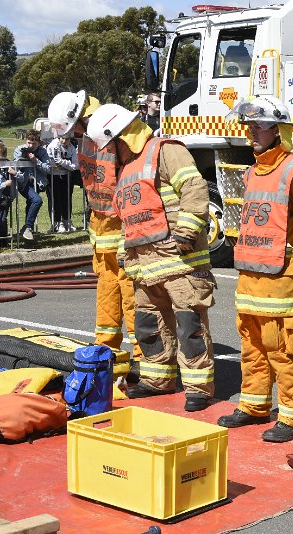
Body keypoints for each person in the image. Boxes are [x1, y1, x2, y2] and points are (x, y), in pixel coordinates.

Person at [86, 103, 215, 412]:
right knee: (149, 325)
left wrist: (186, 232)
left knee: (189, 325)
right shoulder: (127, 169)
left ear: (122, 136)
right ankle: (157, 379)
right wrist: (124, 255)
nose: (108, 153)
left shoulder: (164, 150)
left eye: (110, 145)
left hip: (179, 261)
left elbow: (194, 188)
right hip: (145, 266)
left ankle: (199, 387)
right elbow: (128, 219)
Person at [216, 95, 293, 443]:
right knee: (252, 347)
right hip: (250, 282)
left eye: (259, 126)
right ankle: (253, 404)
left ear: (278, 130)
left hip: (282, 283)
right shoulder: (252, 172)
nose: (251, 132)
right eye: (249, 125)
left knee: (284, 350)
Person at [48, 90, 143, 374]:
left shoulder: (113, 125)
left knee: (132, 292)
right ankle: (107, 347)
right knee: (107, 288)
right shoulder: (88, 134)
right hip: (101, 226)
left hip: (124, 223)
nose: (72, 136)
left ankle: (144, 353)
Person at [11, 129, 50, 241]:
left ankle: (27, 232)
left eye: (34, 143)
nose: (31, 145)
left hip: (37, 183)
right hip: (23, 182)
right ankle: (28, 227)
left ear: (39, 142)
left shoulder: (42, 151)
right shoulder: (19, 149)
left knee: (31, 204)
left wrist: (36, 161)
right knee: (37, 200)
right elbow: (16, 165)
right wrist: (25, 157)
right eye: (29, 142)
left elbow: (47, 168)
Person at [46, 131, 78, 232]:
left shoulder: (71, 147)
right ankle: (56, 222)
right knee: (56, 198)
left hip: (65, 175)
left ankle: (66, 220)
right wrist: (69, 164)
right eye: (62, 138)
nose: (64, 141)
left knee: (67, 198)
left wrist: (68, 165)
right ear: (59, 137)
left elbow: (75, 164)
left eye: (67, 139)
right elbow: (57, 160)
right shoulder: (54, 145)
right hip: (53, 175)